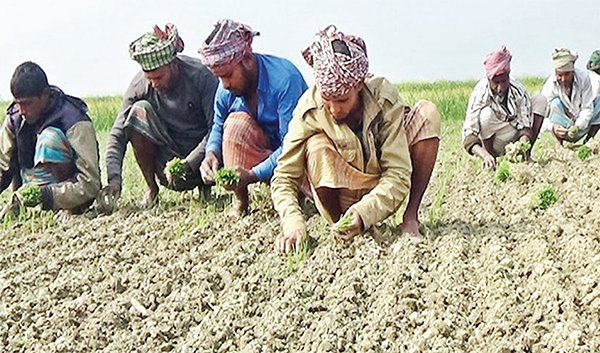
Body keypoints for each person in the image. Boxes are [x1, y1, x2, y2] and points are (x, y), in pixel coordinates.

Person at [271, 25, 441, 253]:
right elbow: (284, 177)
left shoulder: (383, 99)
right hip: (340, 186)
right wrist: (293, 224)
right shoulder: (309, 109)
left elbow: (398, 173)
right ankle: (339, 226)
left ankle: (410, 217)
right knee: (316, 145)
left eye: (342, 100)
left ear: (360, 85)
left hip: (378, 183)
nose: (333, 109)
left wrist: (364, 213)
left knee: (427, 114)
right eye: (327, 99)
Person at [197, 19, 308, 218]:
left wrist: (253, 174)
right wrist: (211, 153)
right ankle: (240, 198)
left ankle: (296, 194)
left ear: (247, 61)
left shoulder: (284, 80)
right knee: (234, 126)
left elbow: (292, 144)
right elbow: (218, 125)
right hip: (266, 152)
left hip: (300, 153)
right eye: (219, 78)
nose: (225, 84)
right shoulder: (225, 90)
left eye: (228, 75)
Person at [103, 23, 218, 209]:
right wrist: (114, 179)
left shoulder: (201, 76)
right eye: (149, 78)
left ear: (173, 64)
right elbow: (118, 134)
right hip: (167, 157)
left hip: (202, 158)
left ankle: (204, 188)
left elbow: (216, 127)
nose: (154, 84)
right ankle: (151, 188)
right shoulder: (139, 85)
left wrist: (189, 163)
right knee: (138, 111)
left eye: (158, 77)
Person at [0, 61, 100, 212]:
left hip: (66, 195)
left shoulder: (74, 120)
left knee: (49, 140)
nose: (22, 111)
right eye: (18, 104)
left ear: (45, 95)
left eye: (27, 104)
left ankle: (66, 209)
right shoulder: (14, 120)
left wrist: (46, 195)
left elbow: (90, 183)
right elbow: (2, 167)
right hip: (27, 192)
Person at [462, 46, 546, 168]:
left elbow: (525, 126)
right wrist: (484, 155)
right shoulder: (479, 94)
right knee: (486, 115)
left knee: (540, 100)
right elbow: (469, 136)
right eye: (496, 83)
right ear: (488, 79)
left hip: (513, 133)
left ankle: (525, 157)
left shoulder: (517, 90)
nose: (500, 88)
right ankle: (491, 161)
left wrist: (521, 145)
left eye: (503, 81)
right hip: (493, 139)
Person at [541, 48, 600, 145]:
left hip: (583, 123)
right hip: (562, 124)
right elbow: (541, 115)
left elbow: (587, 109)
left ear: (572, 71)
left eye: (567, 74)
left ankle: (589, 141)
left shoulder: (584, 78)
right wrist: (552, 127)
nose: (563, 79)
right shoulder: (550, 85)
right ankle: (558, 143)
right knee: (555, 103)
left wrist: (577, 126)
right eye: (560, 75)